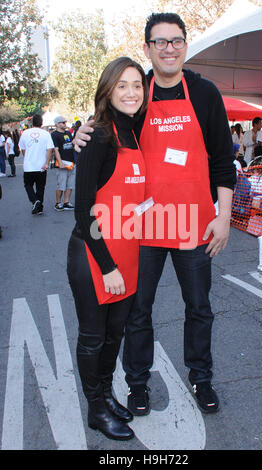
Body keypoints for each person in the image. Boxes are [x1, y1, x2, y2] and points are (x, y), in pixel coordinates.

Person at [74, 12, 236, 416]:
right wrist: (80, 134)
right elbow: (106, 128)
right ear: (148, 47)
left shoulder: (204, 93)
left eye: (176, 40)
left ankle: (200, 378)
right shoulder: (137, 94)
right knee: (137, 312)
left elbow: (222, 159)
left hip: (195, 224)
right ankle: (137, 384)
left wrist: (225, 216)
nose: (168, 48)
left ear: (185, 44)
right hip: (142, 228)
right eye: (159, 42)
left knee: (199, 307)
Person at [67, 57, 148, 440]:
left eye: (137, 85)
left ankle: (105, 394)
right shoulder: (98, 135)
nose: (131, 92)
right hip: (95, 257)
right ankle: (95, 409)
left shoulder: (135, 133)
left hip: (127, 253)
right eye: (122, 86)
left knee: (116, 334)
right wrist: (108, 266)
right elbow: (83, 211)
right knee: (94, 336)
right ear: (108, 91)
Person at [19, 114, 54, 215]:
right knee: (40, 187)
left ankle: (35, 202)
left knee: (28, 185)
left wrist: (27, 157)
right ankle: (39, 206)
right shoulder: (46, 134)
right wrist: (47, 163)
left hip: (29, 166)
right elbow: (49, 149)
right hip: (41, 165)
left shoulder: (25, 133)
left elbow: (23, 149)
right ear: (41, 122)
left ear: (32, 122)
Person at [51, 116, 75, 211]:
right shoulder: (54, 135)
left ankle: (66, 202)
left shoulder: (68, 133)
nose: (65, 124)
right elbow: (56, 150)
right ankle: (58, 203)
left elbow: (72, 144)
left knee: (70, 184)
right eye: (63, 122)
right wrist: (60, 162)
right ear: (57, 124)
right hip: (62, 163)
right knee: (61, 184)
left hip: (71, 162)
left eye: (65, 122)